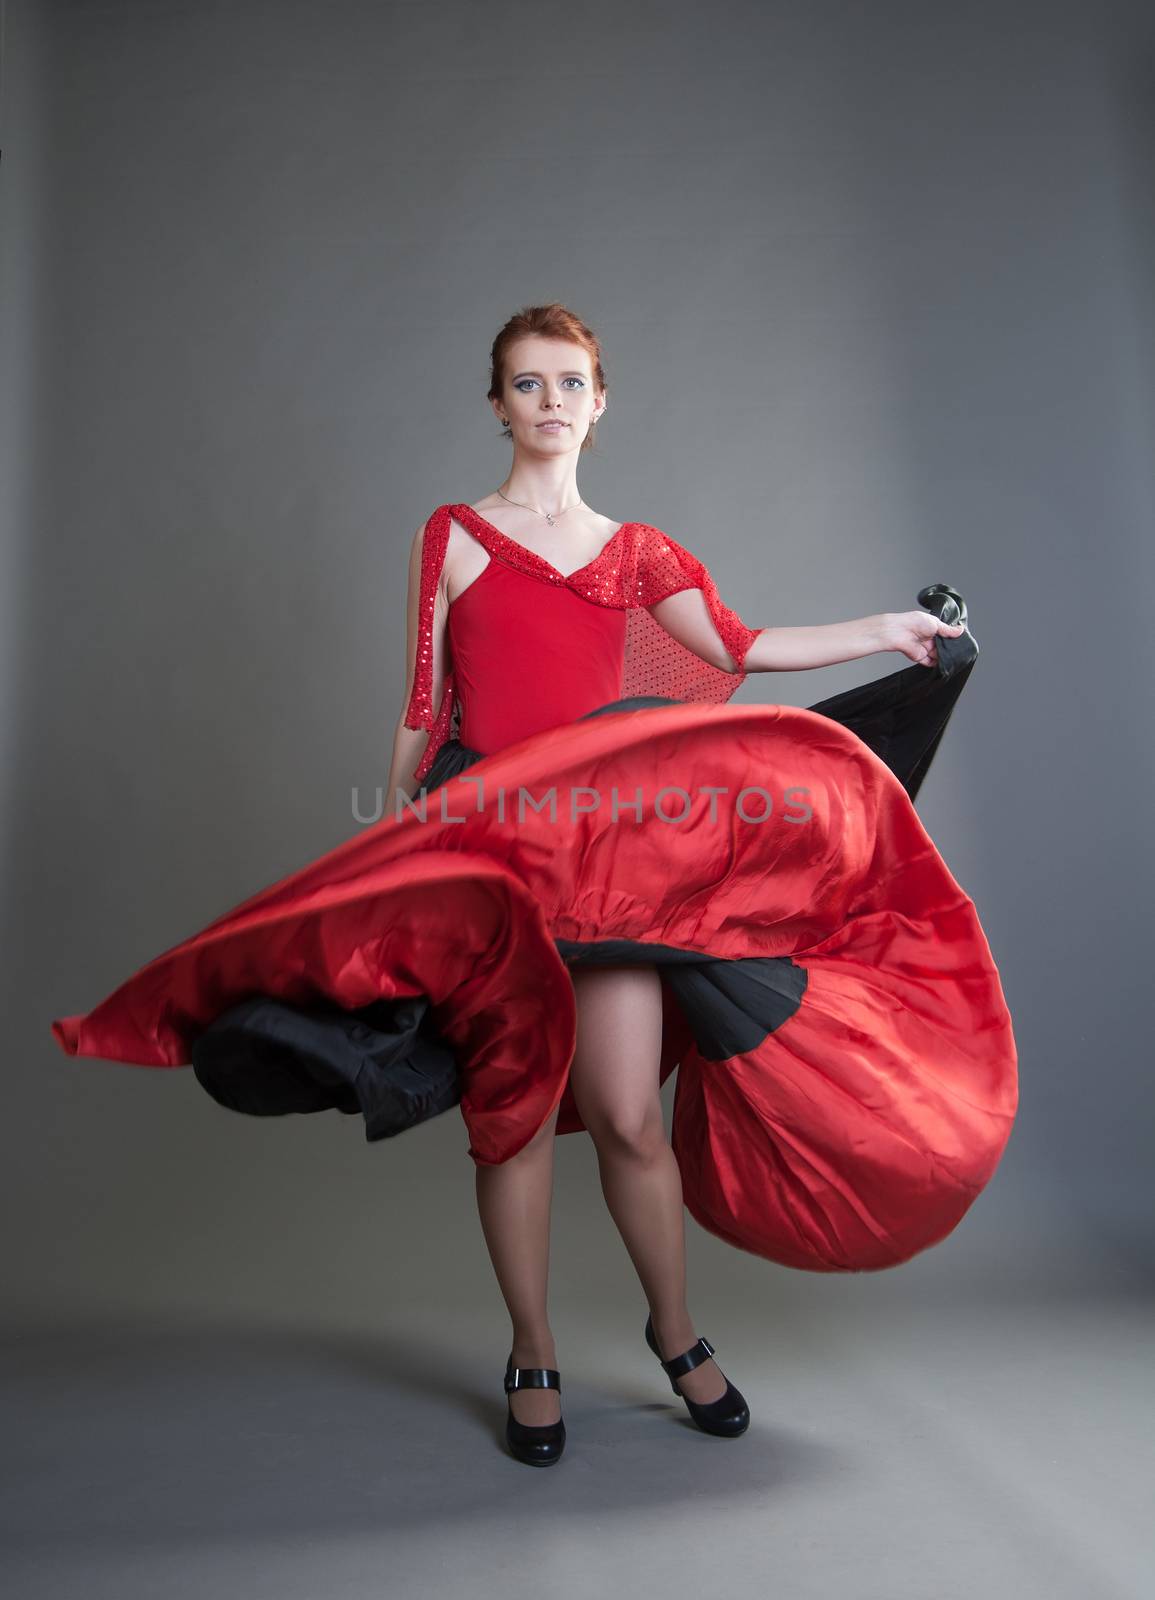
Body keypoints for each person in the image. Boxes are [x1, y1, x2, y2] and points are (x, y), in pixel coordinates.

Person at [51, 302, 1018, 1471]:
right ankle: (532, 1347)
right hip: (489, 865)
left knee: (623, 1113)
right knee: (510, 1125)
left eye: (571, 382)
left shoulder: (639, 552)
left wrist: (890, 630)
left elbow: (738, 644)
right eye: (527, 383)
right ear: (498, 401)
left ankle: (675, 1332)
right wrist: (390, 852)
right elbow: (423, 703)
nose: (550, 401)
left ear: (601, 402)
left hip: (606, 863)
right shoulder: (453, 534)